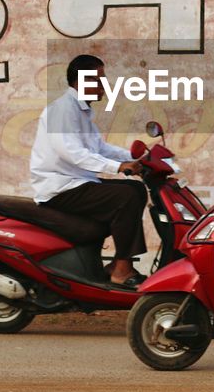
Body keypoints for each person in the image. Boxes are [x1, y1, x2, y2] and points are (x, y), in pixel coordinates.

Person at [29, 54, 148, 287]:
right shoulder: (61, 110)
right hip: (60, 187)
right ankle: (121, 268)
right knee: (128, 195)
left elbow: (99, 147)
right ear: (80, 82)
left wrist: (134, 158)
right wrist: (119, 167)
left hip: (77, 183)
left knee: (135, 189)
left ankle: (118, 263)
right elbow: (72, 153)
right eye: (98, 79)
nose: (104, 85)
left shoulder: (80, 110)